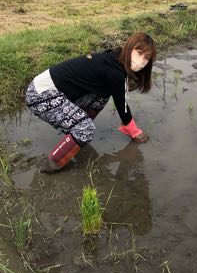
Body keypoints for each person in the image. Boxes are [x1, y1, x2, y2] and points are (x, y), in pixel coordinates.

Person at [25, 32, 156, 173]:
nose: (141, 61)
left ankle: (75, 132)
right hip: (40, 94)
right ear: (129, 48)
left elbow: (118, 96)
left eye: (146, 58)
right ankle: (50, 166)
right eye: (139, 52)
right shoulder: (115, 72)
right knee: (85, 129)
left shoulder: (115, 57)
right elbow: (121, 105)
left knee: (101, 97)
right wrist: (134, 131)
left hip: (50, 89)